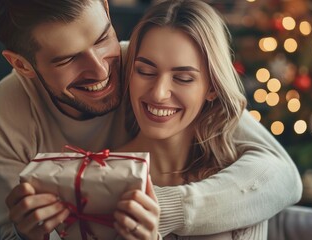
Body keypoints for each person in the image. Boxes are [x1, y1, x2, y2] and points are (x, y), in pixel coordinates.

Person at [0, 0, 302, 239]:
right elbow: (11, 235)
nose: (102, 71)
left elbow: (281, 176)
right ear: (22, 64)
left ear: (105, 7)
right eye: (69, 59)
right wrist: (28, 232)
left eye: (102, 39)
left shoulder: (146, 61)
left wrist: (159, 208)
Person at [113, 0, 267, 238]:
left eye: (183, 78)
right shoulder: (102, 176)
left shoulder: (241, 190)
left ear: (212, 88)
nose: (158, 93)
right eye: (145, 71)